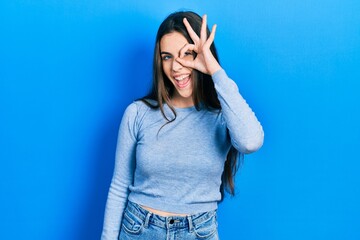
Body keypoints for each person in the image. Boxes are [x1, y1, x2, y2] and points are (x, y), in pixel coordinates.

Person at [101, 11, 264, 240]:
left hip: (198, 232)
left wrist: (215, 71)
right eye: (167, 57)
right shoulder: (138, 113)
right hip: (139, 229)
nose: (176, 67)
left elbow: (251, 141)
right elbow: (119, 186)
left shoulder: (222, 116)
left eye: (186, 54)